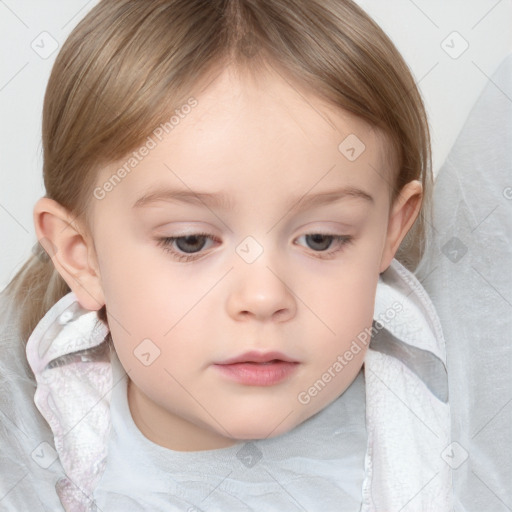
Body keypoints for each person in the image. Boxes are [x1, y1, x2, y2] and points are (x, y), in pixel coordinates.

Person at [0, 0, 453, 510]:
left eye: (321, 239)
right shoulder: (27, 460)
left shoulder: (448, 435)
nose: (263, 297)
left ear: (391, 232)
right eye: (190, 241)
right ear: (81, 257)